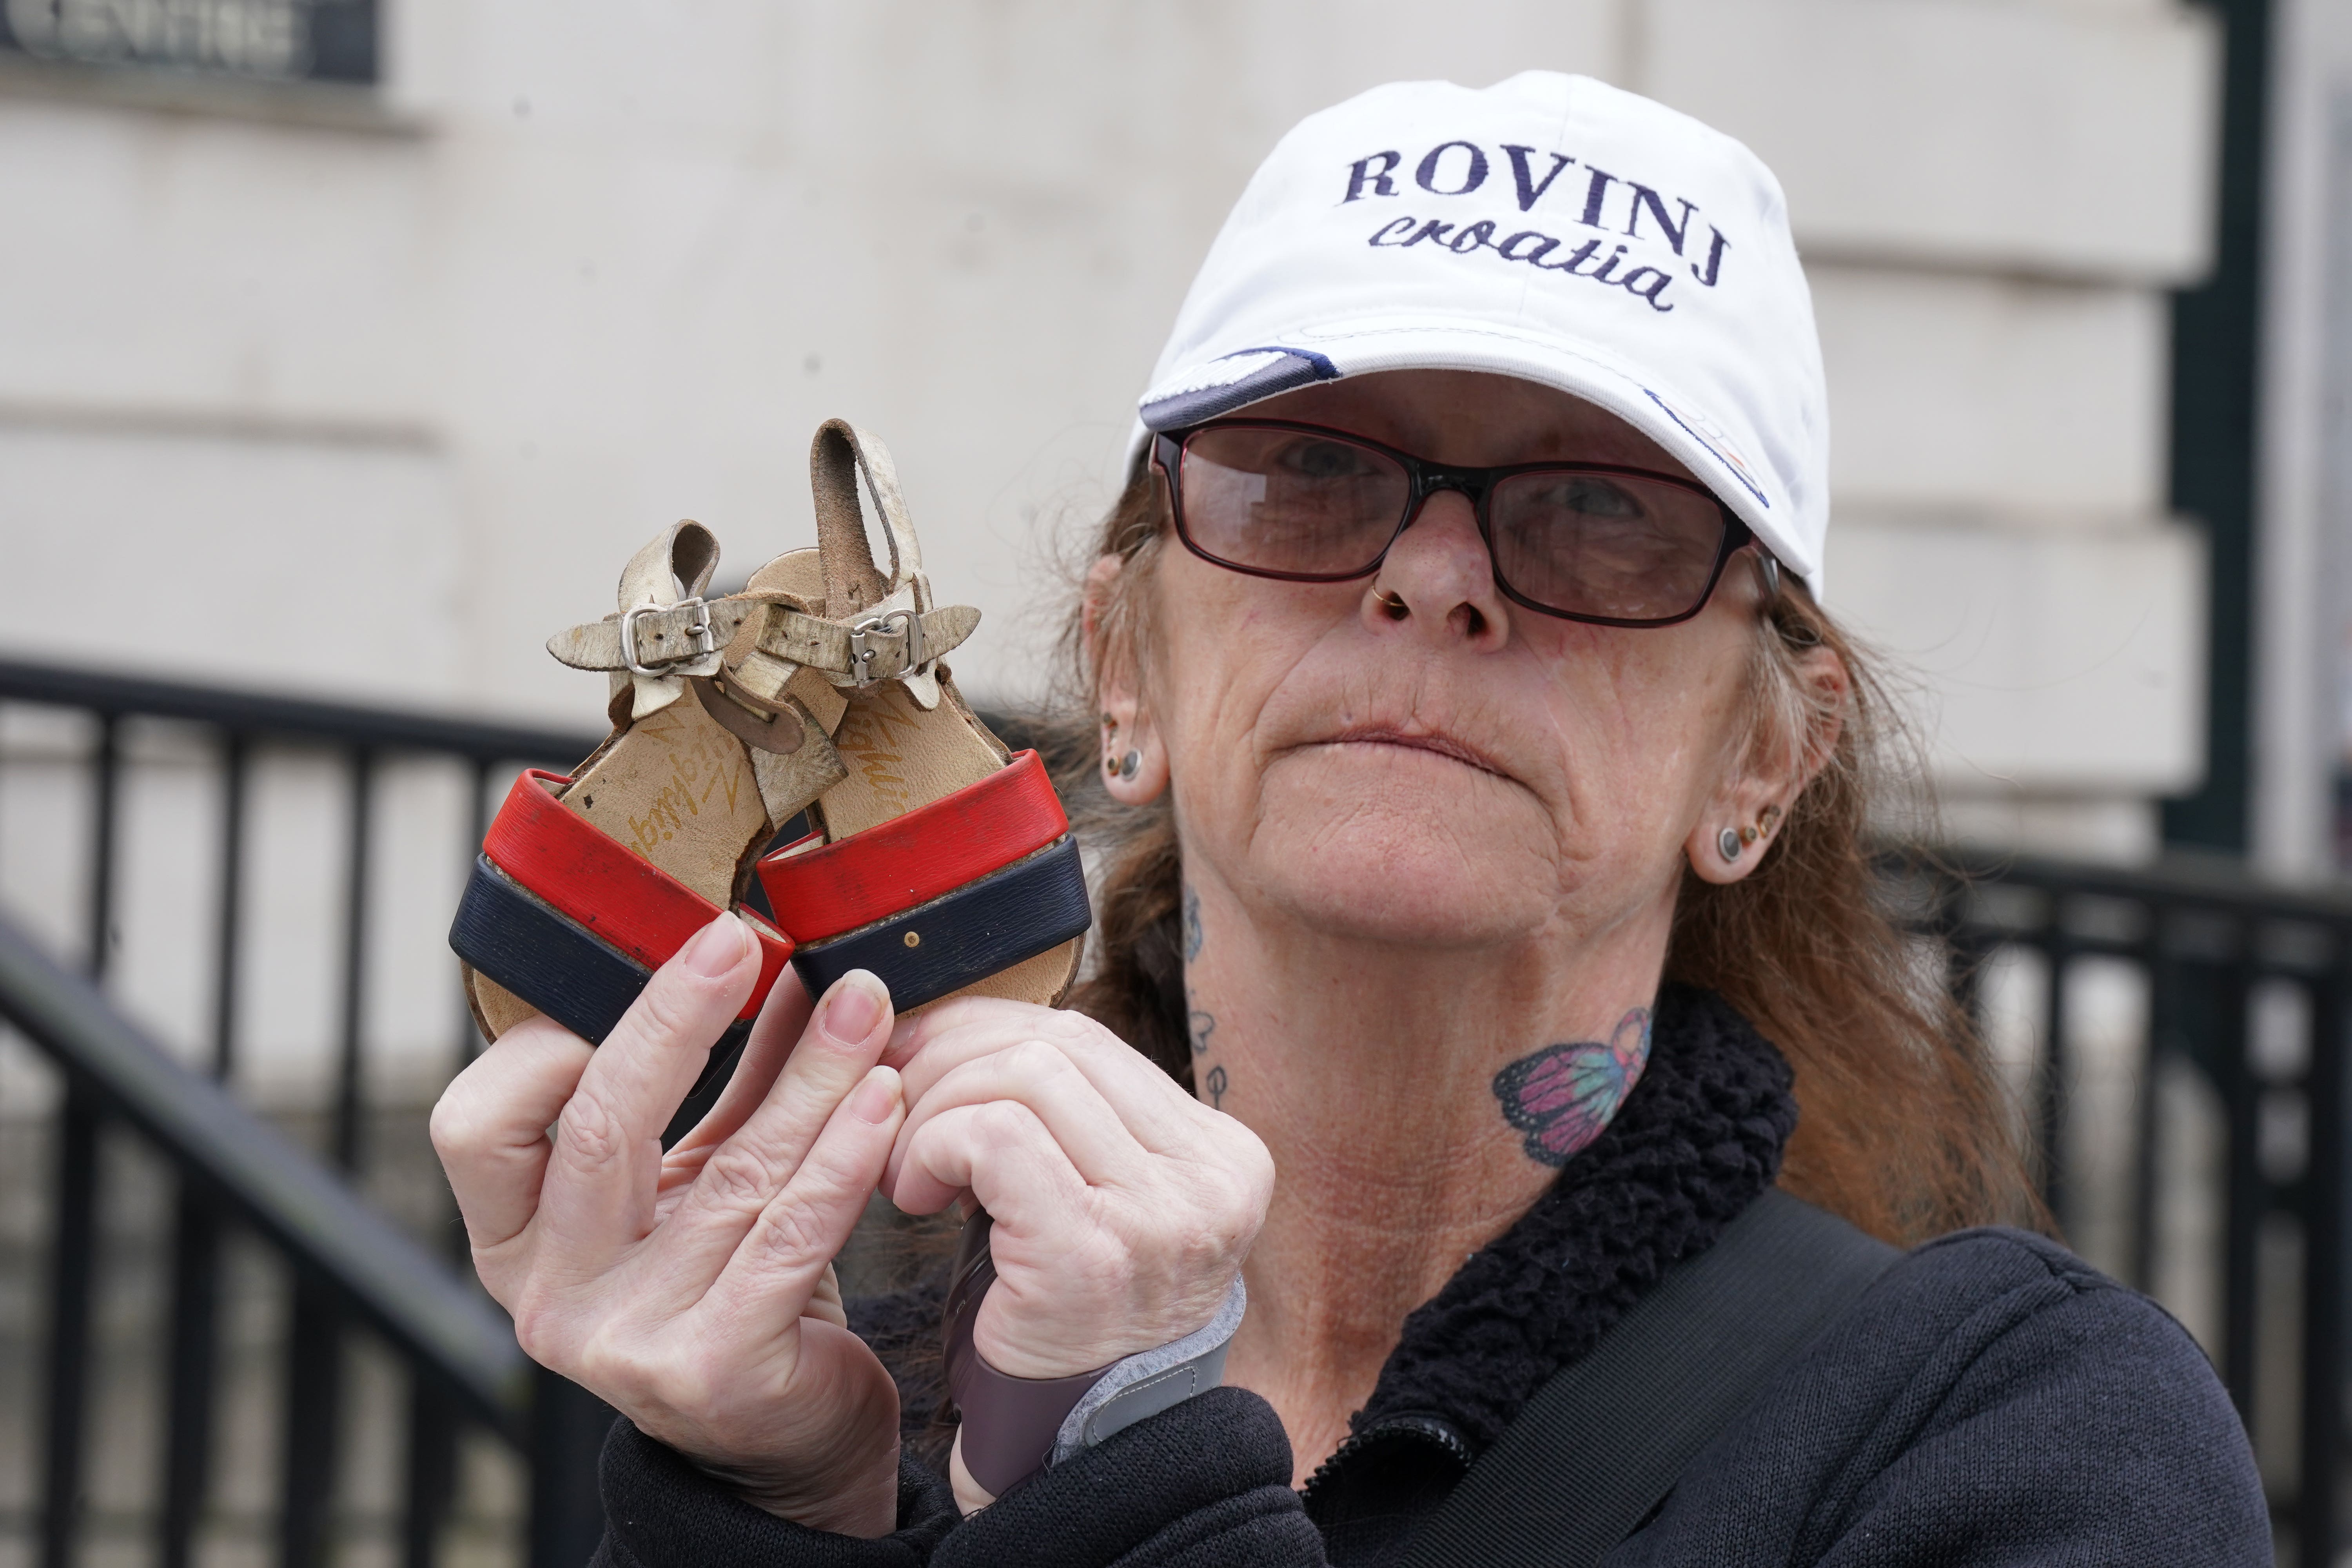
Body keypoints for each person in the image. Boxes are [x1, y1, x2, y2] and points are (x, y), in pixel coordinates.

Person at [429, 72, 2269, 1565]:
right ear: (1122, 668)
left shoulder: (2007, 1443)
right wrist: (774, 1511)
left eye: (1596, 512)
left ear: (1763, 763)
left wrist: (1122, 1466)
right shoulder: (873, 1393)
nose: (1434, 574)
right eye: (1310, 475)